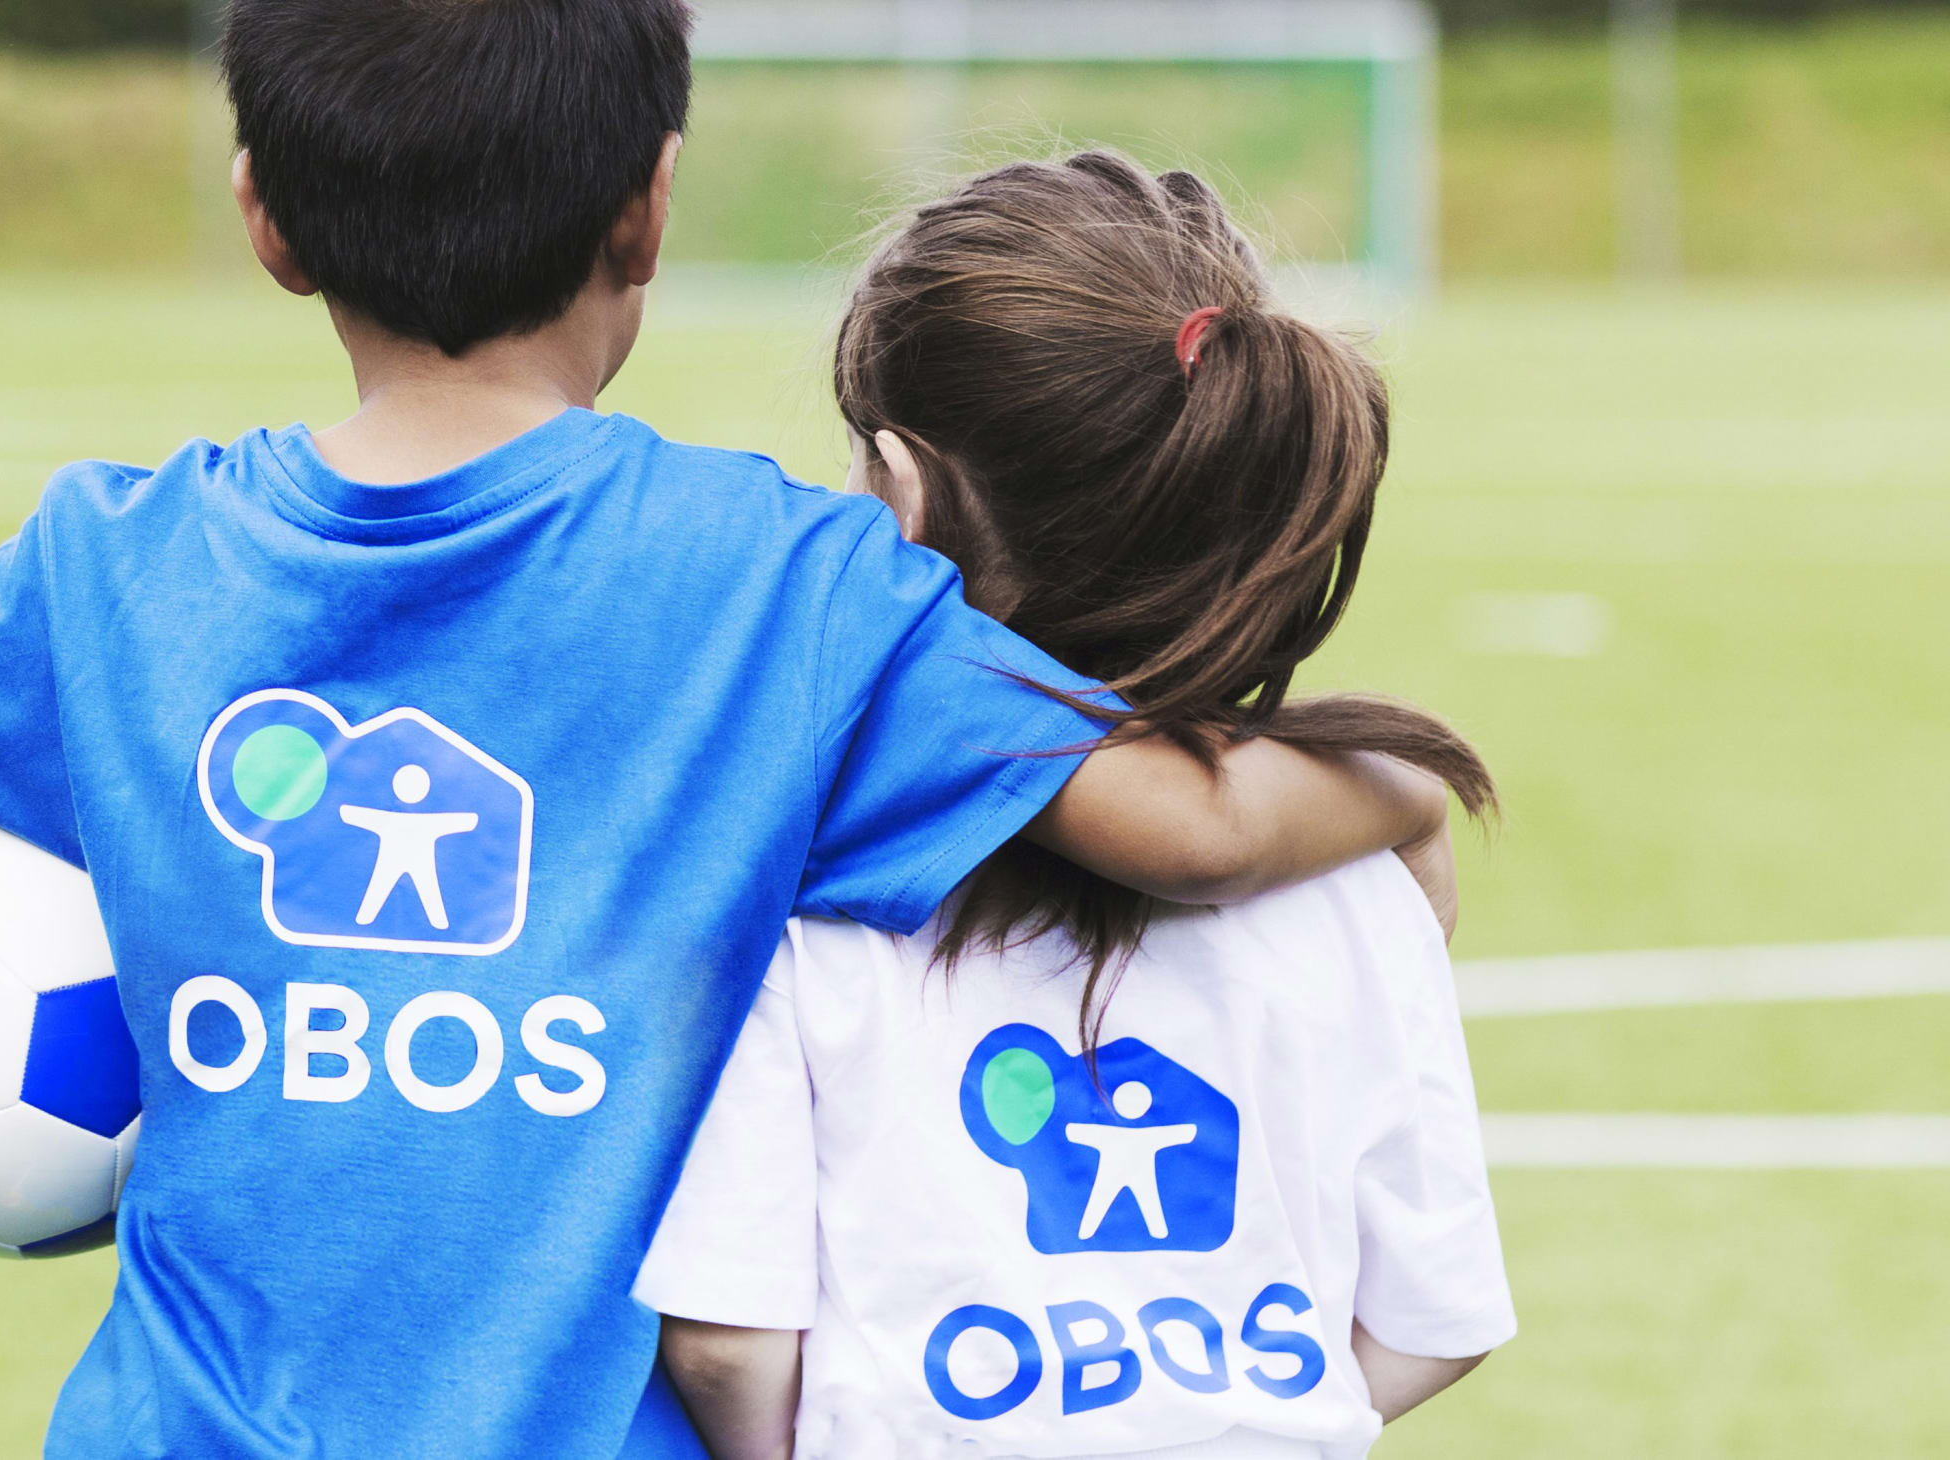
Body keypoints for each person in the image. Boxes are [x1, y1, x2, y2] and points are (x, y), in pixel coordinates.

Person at [0, 0, 1459, 1460]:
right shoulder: (785, 586)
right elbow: (1189, 832)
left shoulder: (105, 578)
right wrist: (1406, 791)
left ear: (265, 215)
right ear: (649, 207)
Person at [642, 151, 1515, 1460]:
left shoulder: (809, 871)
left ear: (898, 489)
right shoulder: (1351, 876)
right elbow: (1436, 1319)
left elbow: (727, 1341)